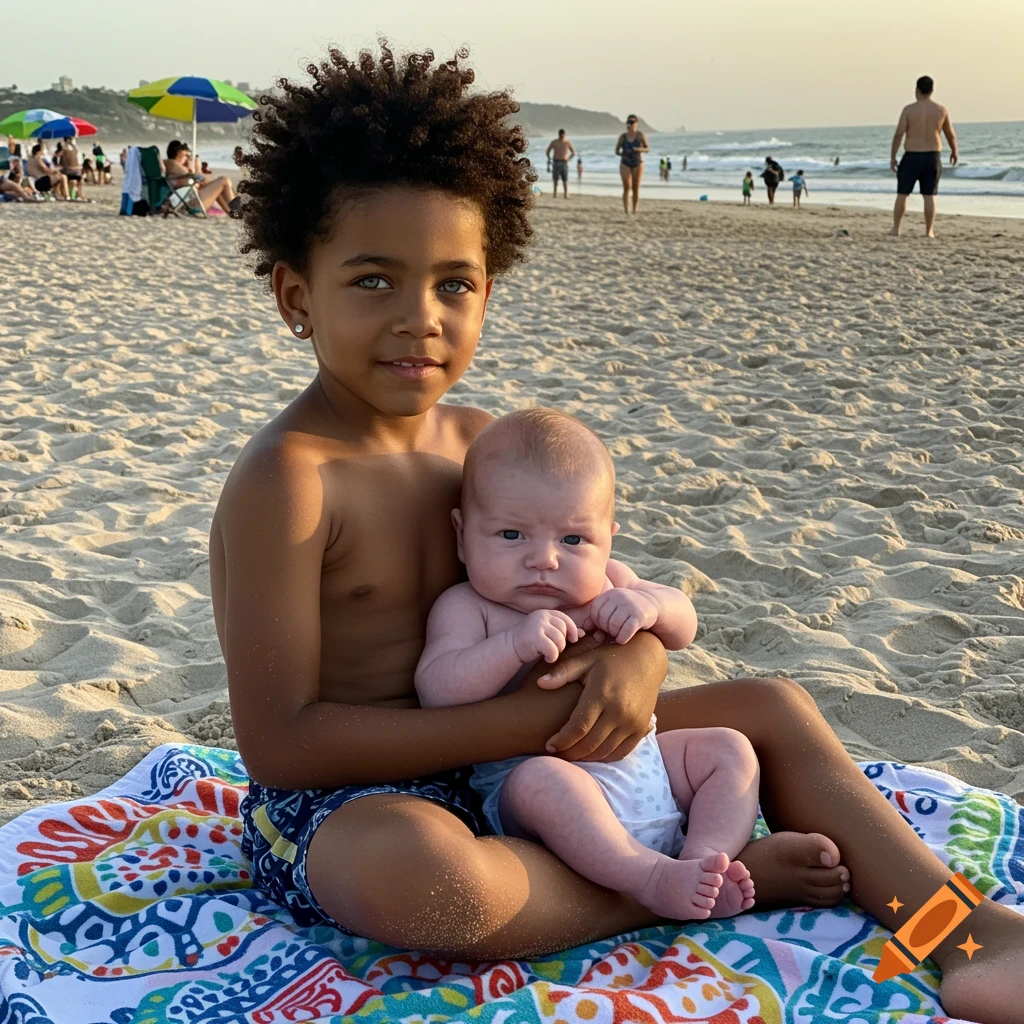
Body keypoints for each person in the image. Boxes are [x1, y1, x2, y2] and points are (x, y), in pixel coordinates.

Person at [213, 43, 1024, 1023]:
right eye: (374, 281)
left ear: (489, 287)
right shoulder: (289, 482)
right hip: (362, 797)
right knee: (419, 874)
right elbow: (281, 745)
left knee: (769, 702)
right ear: (297, 295)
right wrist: (528, 723)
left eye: (454, 284)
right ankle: (698, 883)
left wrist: (636, 659)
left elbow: (595, 578)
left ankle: (958, 929)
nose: (419, 318)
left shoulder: (484, 446)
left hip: (544, 755)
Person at [415, 409, 758, 921]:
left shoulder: (611, 580)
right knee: (543, 782)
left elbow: (684, 627)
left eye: (573, 540)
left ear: (608, 539)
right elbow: (436, 689)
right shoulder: (471, 607)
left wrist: (653, 607)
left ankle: (704, 859)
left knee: (728, 749)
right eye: (511, 535)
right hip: (543, 802)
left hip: (650, 774)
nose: (544, 559)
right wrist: (511, 646)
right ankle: (650, 878)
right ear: (463, 536)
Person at [890, 75, 958, 239]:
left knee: (902, 193)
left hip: (912, 156)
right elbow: (950, 134)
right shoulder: (941, 110)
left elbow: (899, 134)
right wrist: (954, 151)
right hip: (932, 157)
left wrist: (893, 156)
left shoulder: (909, 110)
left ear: (917, 89)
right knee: (929, 196)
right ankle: (929, 231)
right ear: (932, 90)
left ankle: (896, 228)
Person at [164, 140, 241, 215]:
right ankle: (237, 210)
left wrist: (196, 171)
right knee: (224, 180)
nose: (187, 159)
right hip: (190, 204)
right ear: (179, 154)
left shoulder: (172, 166)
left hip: (188, 201)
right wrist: (196, 169)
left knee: (220, 185)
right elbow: (197, 180)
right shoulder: (173, 163)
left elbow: (195, 181)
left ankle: (233, 211)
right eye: (186, 156)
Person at [615, 115, 649, 214]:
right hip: (625, 162)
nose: (630, 124)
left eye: (633, 122)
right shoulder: (623, 136)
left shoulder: (640, 135)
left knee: (636, 187)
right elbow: (616, 151)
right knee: (627, 186)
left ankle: (635, 209)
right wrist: (624, 154)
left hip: (637, 162)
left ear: (636, 124)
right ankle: (626, 209)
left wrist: (639, 149)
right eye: (629, 122)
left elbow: (647, 148)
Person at [545, 129, 575, 199]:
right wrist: (549, 159)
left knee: (565, 179)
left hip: (564, 162)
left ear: (564, 134)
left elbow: (573, 152)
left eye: (562, 135)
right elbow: (547, 151)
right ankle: (555, 194)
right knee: (555, 179)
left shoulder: (567, 142)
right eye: (560, 134)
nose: (561, 136)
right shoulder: (554, 142)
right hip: (556, 162)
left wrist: (569, 158)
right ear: (558, 134)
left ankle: (565, 194)